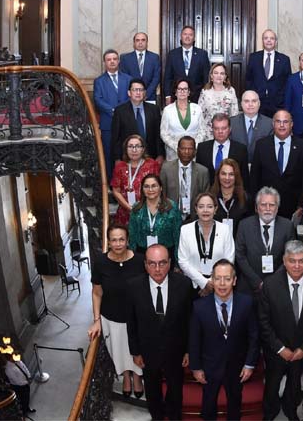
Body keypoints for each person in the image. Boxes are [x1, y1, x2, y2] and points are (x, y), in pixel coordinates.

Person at [258, 240, 303, 421]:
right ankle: (270, 410)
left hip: (301, 352)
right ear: (284, 260)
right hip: (276, 352)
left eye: (301, 260)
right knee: (272, 386)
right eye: (292, 261)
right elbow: (264, 323)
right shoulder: (270, 285)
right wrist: (281, 349)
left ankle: (290, 409)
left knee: (294, 385)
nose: (297, 266)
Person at [126, 245, 192, 421]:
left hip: (176, 351)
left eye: (162, 263)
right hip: (148, 352)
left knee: (175, 390)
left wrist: (188, 350)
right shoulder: (133, 287)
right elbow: (131, 323)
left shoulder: (184, 285)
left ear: (170, 263)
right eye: (152, 264)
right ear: (145, 265)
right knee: (153, 392)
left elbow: (189, 321)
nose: (157, 269)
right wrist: (135, 352)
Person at [189, 259, 259, 421]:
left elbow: (254, 336)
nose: (222, 284)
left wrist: (249, 364)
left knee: (235, 404)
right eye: (218, 278)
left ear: (234, 281)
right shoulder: (199, 307)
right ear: (212, 280)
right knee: (208, 405)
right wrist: (196, 367)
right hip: (209, 367)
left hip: (237, 367)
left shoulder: (247, 303)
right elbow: (194, 340)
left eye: (227, 279)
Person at [88, 225, 147, 399]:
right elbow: (97, 292)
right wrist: (96, 319)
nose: (118, 243)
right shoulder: (100, 262)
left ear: (127, 240)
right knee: (119, 351)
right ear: (108, 242)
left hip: (136, 318)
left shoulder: (140, 260)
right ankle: (126, 377)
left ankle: (137, 377)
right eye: (114, 240)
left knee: (136, 350)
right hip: (111, 318)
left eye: (121, 239)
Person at [249, 110, 303, 221]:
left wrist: (302, 206)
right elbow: (254, 177)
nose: (282, 125)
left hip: (292, 207)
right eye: (278, 121)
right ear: (273, 124)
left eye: (285, 122)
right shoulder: (261, 145)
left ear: (291, 124)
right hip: (266, 206)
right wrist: (255, 202)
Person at [234, 187, 295, 295]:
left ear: (277, 208)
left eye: (272, 205)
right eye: (263, 204)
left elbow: (290, 256)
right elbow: (240, 256)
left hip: (278, 287)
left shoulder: (287, 226)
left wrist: (272, 282)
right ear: (257, 207)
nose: (267, 208)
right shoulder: (244, 225)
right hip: (248, 287)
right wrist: (257, 282)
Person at [177, 193, 235, 296]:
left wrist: (212, 282)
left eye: (209, 206)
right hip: (192, 284)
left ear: (215, 209)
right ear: (196, 209)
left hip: (219, 284)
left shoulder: (225, 229)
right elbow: (182, 261)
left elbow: (229, 259)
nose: (205, 210)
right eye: (201, 206)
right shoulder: (185, 230)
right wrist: (203, 283)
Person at [93, 49, 131, 177]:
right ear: (104, 62)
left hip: (126, 122)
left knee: (127, 153)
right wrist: (113, 110)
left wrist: (121, 111)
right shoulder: (99, 81)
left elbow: (131, 98)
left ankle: (127, 182)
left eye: (114, 59)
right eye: (109, 60)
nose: (112, 62)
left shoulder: (128, 79)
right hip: (108, 124)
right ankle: (109, 184)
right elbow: (98, 100)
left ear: (119, 61)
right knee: (108, 154)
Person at [128, 174, 182, 263]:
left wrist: (177, 262)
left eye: (154, 186)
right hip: (142, 255)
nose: (150, 190)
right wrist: (132, 261)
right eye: (146, 186)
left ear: (160, 188)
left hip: (167, 255)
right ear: (142, 189)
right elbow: (132, 237)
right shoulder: (136, 208)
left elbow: (178, 236)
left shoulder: (172, 207)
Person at [110, 134, 161, 226]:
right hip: (125, 213)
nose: (134, 150)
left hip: (148, 211)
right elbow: (116, 191)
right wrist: (129, 208)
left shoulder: (152, 164)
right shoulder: (120, 167)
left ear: (143, 149)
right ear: (126, 149)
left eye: (137, 146)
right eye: (130, 146)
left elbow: (157, 188)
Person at [110, 79, 165, 163]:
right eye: (135, 90)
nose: (138, 93)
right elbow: (116, 138)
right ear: (129, 93)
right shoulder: (120, 111)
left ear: (144, 93)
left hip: (151, 158)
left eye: (141, 90)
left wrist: (160, 155)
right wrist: (117, 159)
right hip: (128, 159)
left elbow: (158, 135)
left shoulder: (154, 110)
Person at [160, 136, 210, 221]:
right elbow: (161, 194)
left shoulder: (203, 171)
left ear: (195, 151)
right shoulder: (166, 169)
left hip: (194, 218)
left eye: (190, 149)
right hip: (170, 217)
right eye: (183, 148)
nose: (186, 152)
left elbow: (206, 197)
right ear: (178, 150)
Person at [245, 29, 292, 117]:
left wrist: (282, 99)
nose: (269, 40)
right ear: (262, 41)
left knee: (276, 130)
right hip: (257, 103)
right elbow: (248, 80)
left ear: (276, 42)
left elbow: (288, 82)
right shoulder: (253, 57)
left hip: (277, 104)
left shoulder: (284, 59)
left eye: (272, 38)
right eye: (266, 38)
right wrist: (252, 97)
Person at [196, 113, 249, 185]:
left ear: (230, 129)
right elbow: (198, 177)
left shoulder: (240, 149)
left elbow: (244, 179)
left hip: (232, 194)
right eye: (216, 128)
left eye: (224, 128)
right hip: (208, 194)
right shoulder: (202, 148)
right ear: (212, 130)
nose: (220, 132)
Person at [160, 79, 206, 160]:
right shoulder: (167, 110)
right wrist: (177, 147)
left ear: (189, 92)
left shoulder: (197, 108)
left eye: (185, 89)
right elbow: (164, 133)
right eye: (179, 89)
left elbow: (202, 131)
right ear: (175, 91)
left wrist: (193, 146)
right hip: (174, 153)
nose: (182, 91)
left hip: (193, 153)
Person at [164, 25, 210, 104]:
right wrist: (168, 96)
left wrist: (206, 95)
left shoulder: (202, 54)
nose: (187, 37)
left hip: (198, 97)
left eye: (190, 34)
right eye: (185, 34)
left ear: (194, 38)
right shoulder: (172, 54)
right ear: (181, 37)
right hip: (177, 96)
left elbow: (206, 77)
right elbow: (168, 78)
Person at [209, 158, 251, 238]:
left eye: (231, 174)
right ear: (218, 175)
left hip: (238, 246)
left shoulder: (246, 199)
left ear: (236, 177)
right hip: (215, 246)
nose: (227, 178)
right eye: (223, 174)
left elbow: (250, 228)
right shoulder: (209, 198)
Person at [197, 63, 240, 138]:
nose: (219, 76)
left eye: (222, 73)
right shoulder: (205, 92)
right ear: (211, 76)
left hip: (225, 133)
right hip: (208, 133)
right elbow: (200, 114)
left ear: (225, 76)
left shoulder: (231, 91)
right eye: (216, 73)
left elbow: (234, 114)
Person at [230, 90, 273, 162]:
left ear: (259, 103)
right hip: (237, 168)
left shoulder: (269, 124)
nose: (250, 104)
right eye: (246, 101)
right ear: (241, 104)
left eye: (254, 101)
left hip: (261, 168)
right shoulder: (231, 123)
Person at [120, 32, 161, 102]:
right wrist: (135, 93)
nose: (140, 42)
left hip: (149, 97)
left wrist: (146, 94)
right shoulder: (125, 58)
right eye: (137, 40)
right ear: (134, 43)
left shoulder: (154, 57)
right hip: (131, 98)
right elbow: (124, 78)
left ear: (147, 42)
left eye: (143, 40)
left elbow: (156, 78)